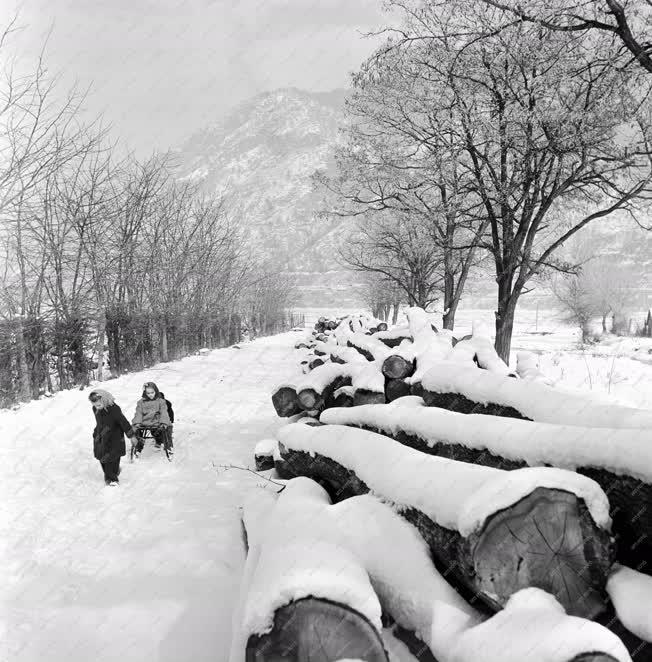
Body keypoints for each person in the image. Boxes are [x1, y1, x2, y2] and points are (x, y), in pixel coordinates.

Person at [89, 389, 134, 486]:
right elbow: (99, 421)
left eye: (99, 405)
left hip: (115, 436)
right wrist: (96, 432)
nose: (97, 407)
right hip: (100, 436)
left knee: (114, 456)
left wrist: (131, 435)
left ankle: (113, 477)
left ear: (104, 400)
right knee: (102, 457)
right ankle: (111, 476)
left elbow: (123, 422)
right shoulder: (95, 409)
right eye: (95, 405)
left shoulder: (114, 409)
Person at [132, 381, 172, 457]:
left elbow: (164, 412)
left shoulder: (161, 401)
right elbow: (138, 413)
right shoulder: (141, 402)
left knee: (160, 430)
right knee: (136, 430)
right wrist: (137, 422)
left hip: (157, 420)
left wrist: (163, 422)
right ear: (145, 393)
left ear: (156, 391)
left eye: (152, 392)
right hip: (145, 420)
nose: (150, 395)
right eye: (148, 393)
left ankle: (162, 442)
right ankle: (139, 447)